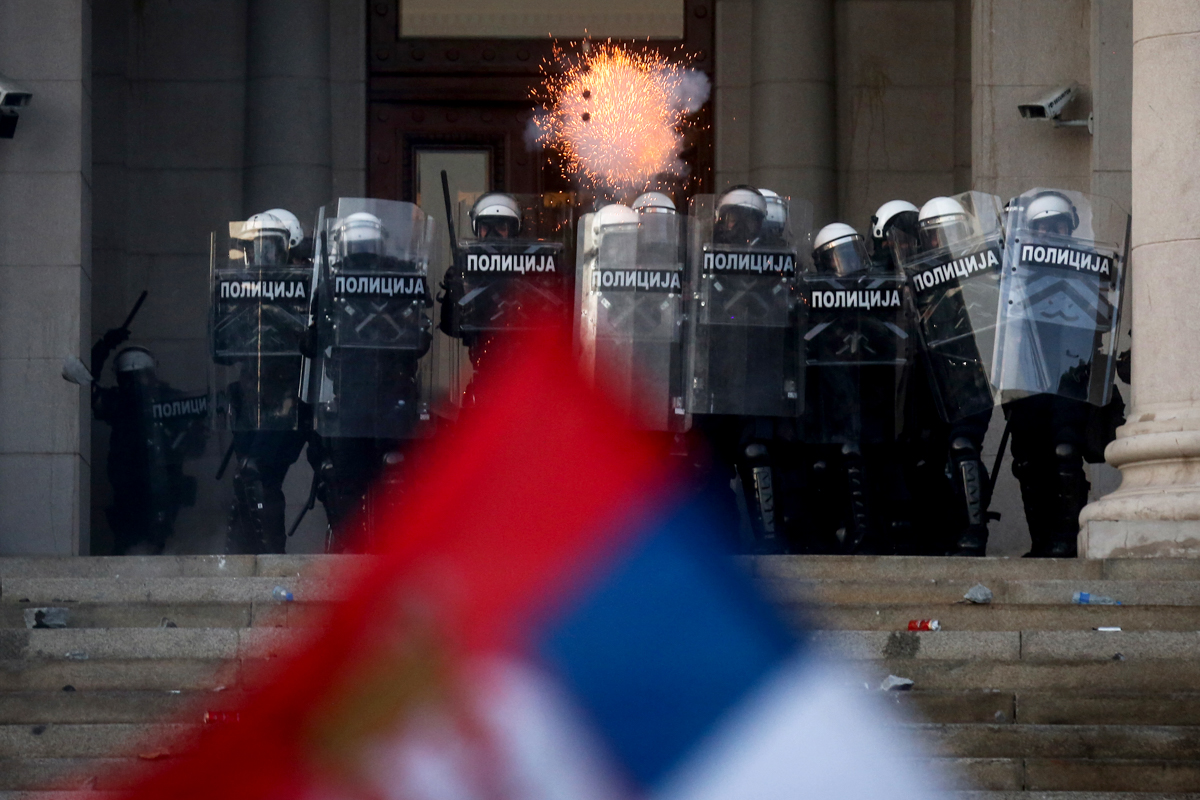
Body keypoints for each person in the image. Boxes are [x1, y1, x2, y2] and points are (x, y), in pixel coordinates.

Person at [997, 190, 1128, 557]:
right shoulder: (1014, 271)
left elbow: (1106, 317)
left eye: (1057, 225)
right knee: (1028, 459)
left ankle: (1069, 538)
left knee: (1065, 450)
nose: (1050, 233)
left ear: (1070, 228)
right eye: (1043, 227)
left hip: (1072, 375)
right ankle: (1041, 541)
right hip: (1026, 378)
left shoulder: (1088, 266)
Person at [307, 200, 434, 551]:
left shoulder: (392, 280)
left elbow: (421, 338)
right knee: (352, 479)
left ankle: (364, 550)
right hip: (381, 402)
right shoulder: (395, 280)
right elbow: (422, 342)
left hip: (370, 403)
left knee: (360, 481)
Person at [802, 221, 911, 553]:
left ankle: (887, 529)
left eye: (852, 254)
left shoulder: (879, 294)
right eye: (839, 257)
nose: (849, 265)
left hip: (874, 392)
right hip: (833, 399)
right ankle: (858, 530)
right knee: (845, 455)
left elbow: (894, 338)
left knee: (882, 457)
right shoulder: (815, 301)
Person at [216, 209, 313, 555]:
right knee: (249, 477)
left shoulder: (307, 285)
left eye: (269, 247)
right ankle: (245, 559)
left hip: (289, 399)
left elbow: (312, 339)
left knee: (257, 473)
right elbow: (222, 350)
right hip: (250, 399)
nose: (261, 257)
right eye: (255, 248)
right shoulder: (242, 289)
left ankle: (270, 559)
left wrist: (271, 306)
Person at [92, 345, 206, 554]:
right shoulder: (121, 401)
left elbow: (197, 441)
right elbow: (89, 391)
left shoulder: (164, 399)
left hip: (159, 486)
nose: (137, 385)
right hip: (133, 487)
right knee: (136, 540)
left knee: (150, 540)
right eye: (131, 379)